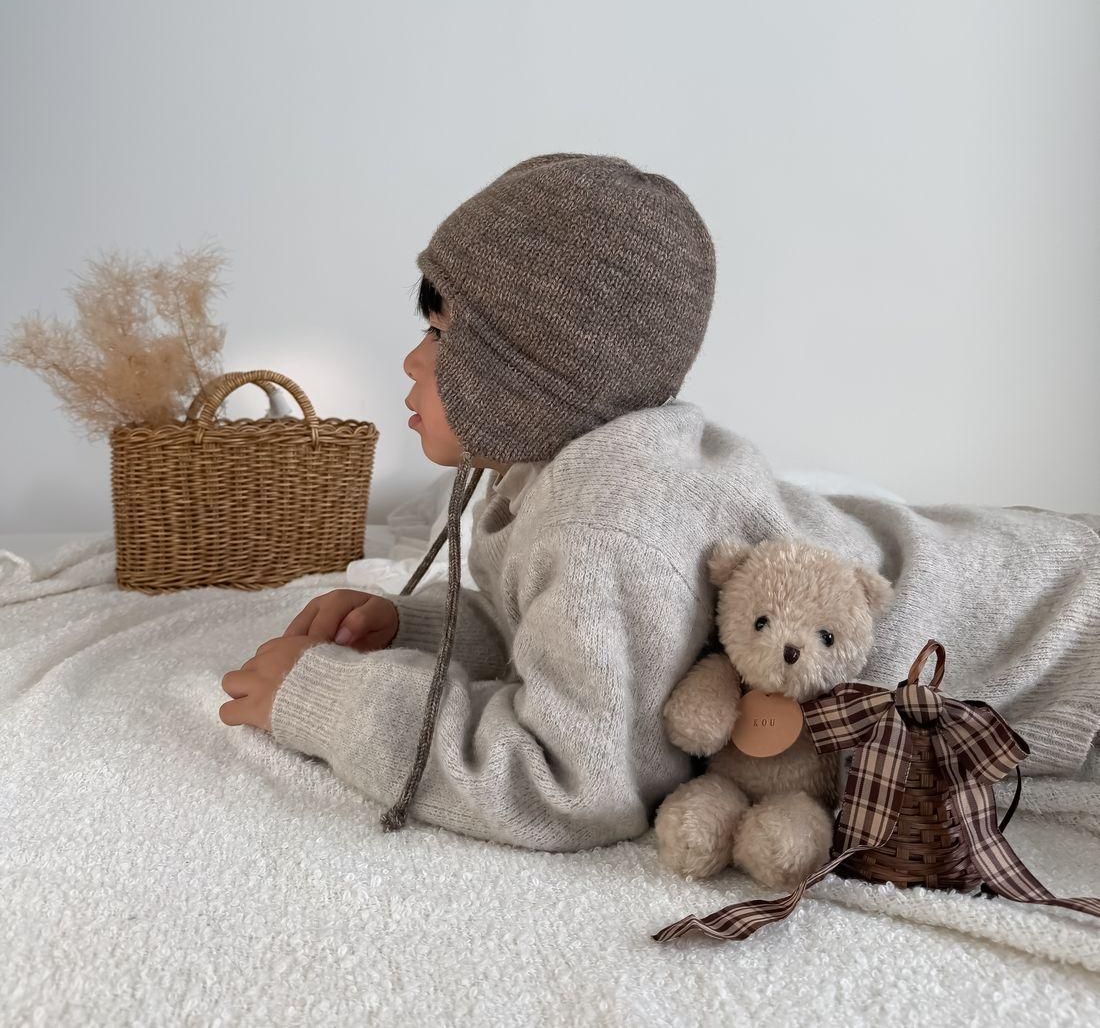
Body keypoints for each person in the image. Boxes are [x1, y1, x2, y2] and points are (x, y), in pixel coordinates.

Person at [218, 152, 1100, 853]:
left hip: (1056, 626)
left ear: (535, 372)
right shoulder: (560, 474)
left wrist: (331, 702)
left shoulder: (606, 524)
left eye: (445, 334)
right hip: (1010, 571)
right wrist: (412, 627)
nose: (414, 360)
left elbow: (577, 785)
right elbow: (585, 644)